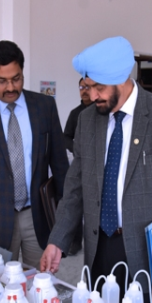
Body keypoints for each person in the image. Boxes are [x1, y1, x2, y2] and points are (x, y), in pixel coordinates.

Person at [40, 36, 152, 303]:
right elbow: (75, 187)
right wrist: (57, 240)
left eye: (98, 87)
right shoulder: (88, 120)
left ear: (121, 79)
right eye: (87, 87)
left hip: (142, 248)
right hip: (98, 243)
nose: (92, 96)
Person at [0, 40, 69, 268]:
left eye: (16, 79)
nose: (10, 87)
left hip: (36, 217)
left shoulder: (44, 107)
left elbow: (60, 166)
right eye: (2, 81)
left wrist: (65, 222)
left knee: (40, 280)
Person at [62, 78, 93, 256]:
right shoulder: (75, 113)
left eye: (87, 87)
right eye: (81, 87)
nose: (84, 90)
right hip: (81, 164)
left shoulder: (101, 110)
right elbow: (66, 136)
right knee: (76, 202)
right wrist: (76, 149)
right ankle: (75, 241)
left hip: (100, 166)